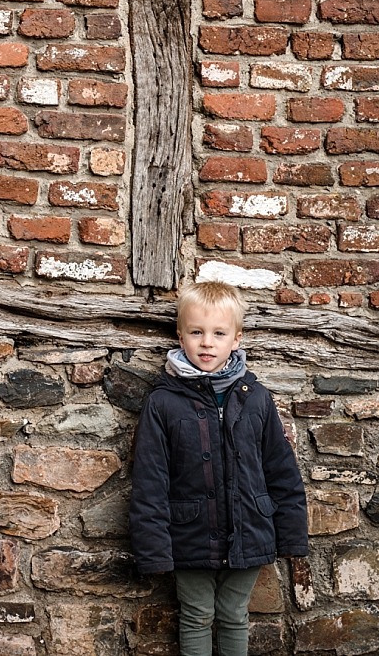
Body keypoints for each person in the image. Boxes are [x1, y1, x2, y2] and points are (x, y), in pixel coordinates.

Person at [128, 280, 308, 656]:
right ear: (181, 336)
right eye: (196, 332)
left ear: (236, 339)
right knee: (195, 615)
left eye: (218, 333)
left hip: (249, 529)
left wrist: (291, 534)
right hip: (189, 533)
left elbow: (280, 468)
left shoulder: (255, 397)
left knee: (233, 614)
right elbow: (150, 480)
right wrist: (154, 549)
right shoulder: (163, 402)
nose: (207, 342)